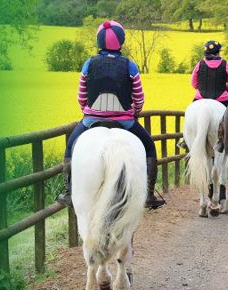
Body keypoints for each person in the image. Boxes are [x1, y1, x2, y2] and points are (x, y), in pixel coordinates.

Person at [57, 20, 165, 210]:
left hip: (91, 120)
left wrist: (88, 110)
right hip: (124, 122)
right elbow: (139, 97)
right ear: (121, 41)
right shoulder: (130, 66)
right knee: (149, 147)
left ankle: (68, 191)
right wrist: (134, 111)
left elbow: (81, 96)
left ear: (99, 42)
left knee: (70, 148)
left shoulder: (88, 64)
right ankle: (148, 195)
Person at [191, 40, 228, 107]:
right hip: (221, 98)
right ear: (218, 52)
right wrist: (225, 90)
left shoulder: (200, 64)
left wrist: (201, 89)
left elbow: (193, 83)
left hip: (200, 97)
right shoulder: (225, 64)